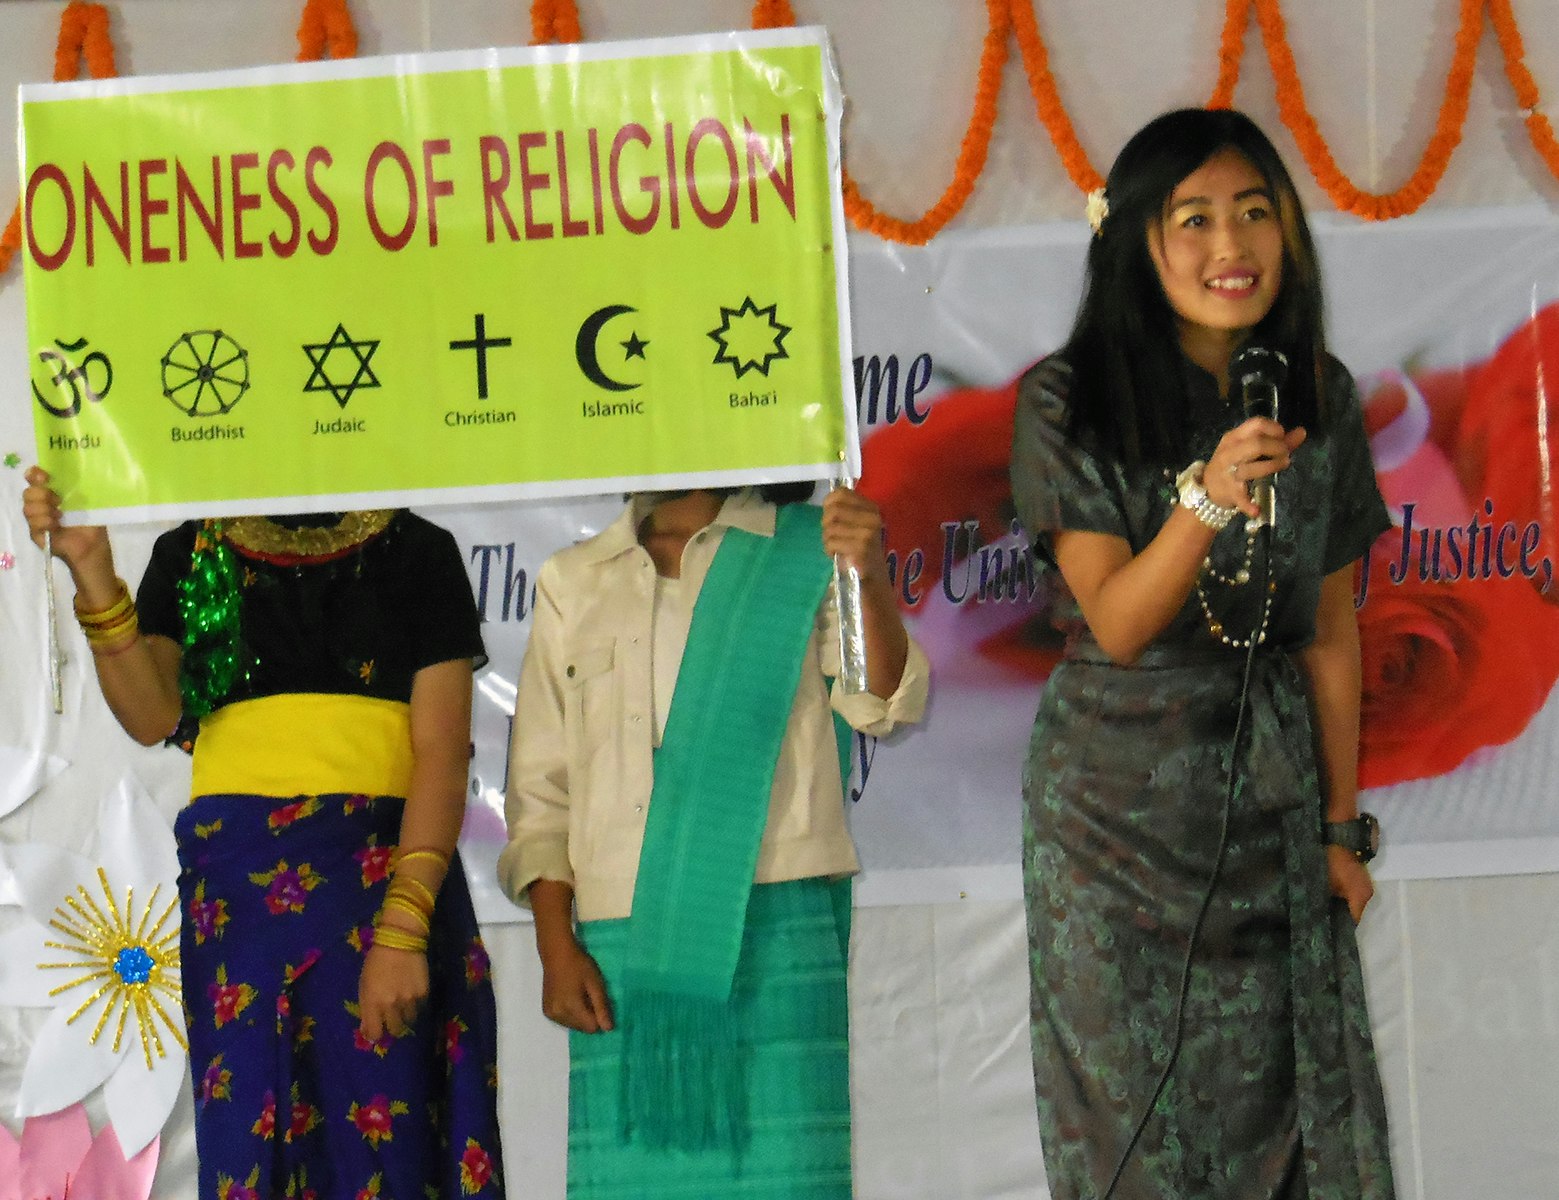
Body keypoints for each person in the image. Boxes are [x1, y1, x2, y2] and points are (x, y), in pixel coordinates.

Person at [1009, 108, 1396, 1199]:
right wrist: (1205, 497)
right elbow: (1119, 623)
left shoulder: (1318, 394)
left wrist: (1339, 831)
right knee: (1132, 1125)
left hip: (1269, 805)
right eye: (1193, 220)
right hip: (1111, 822)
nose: (1229, 248)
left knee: (1295, 1113)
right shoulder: (1067, 398)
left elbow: (1326, 631)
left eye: (1253, 213)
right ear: (1135, 241)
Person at [20, 472, 505, 1200]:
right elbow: (153, 717)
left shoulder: (416, 552)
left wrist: (403, 930)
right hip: (241, 916)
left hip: (380, 899)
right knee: (251, 1140)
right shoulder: (195, 552)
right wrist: (92, 570)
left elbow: (441, 751)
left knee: (391, 1153)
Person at [499, 482, 928, 1197]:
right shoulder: (572, 579)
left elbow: (880, 705)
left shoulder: (801, 550)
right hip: (624, 945)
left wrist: (865, 574)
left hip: (776, 928)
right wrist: (553, 943)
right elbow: (541, 793)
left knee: (786, 1182)